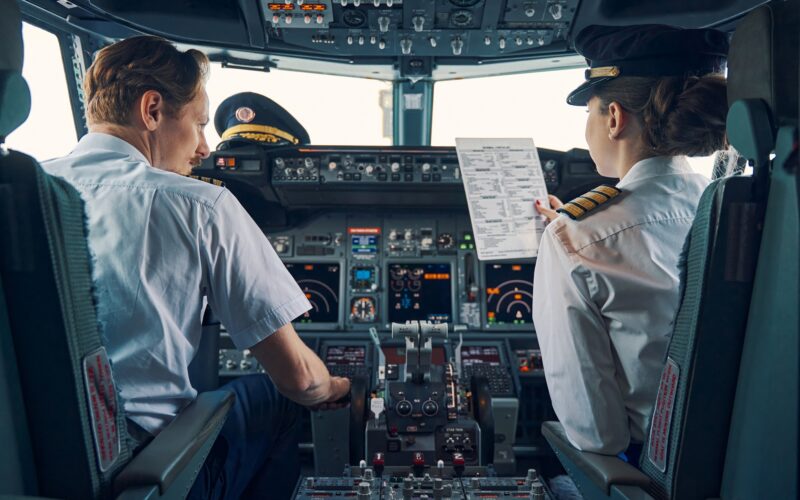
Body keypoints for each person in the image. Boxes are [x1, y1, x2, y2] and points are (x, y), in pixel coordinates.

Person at [41, 35, 350, 499]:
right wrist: (339, 387)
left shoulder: (30, 192)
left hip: (31, 465)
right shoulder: (198, 205)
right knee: (277, 401)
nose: (206, 147)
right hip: (143, 473)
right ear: (152, 110)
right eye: (200, 123)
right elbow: (300, 379)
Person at [532, 24, 729, 461]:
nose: (588, 128)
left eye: (590, 113)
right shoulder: (734, 211)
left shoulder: (574, 238)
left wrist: (565, 239)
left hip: (652, 472)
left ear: (615, 117)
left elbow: (596, 436)